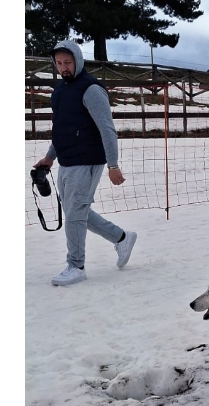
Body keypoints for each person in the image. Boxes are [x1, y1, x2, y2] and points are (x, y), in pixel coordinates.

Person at [33, 40, 138, 286]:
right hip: (67, 160)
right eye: (59, 63)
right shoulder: (60, 90)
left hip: (88, 160)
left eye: (67, 62)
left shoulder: (91, 89)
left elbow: (107, 129)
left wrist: (113, 165)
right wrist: (50, 157)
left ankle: (76, 265)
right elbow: (62, 130)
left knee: (74, 214)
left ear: (78, 60)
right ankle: (122, 238)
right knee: (76, 212)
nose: (63, 67)